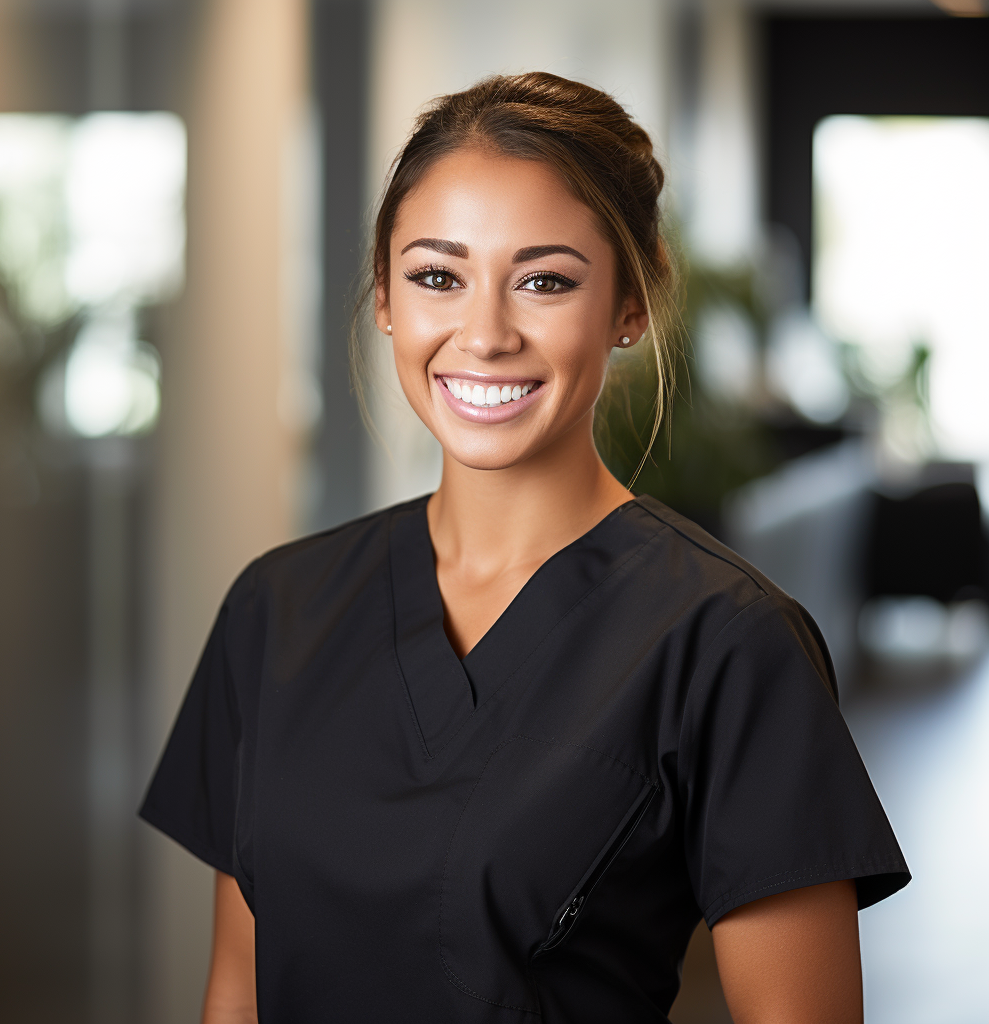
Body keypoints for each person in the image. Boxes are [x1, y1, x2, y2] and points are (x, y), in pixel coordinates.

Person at [140, 73, 909, 1024]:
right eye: (437, 276)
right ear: (384, 295)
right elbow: (236, 994)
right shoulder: (276, 609)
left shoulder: (726, 644)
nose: (486, 333)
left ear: (631, 304)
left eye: (545, 280)